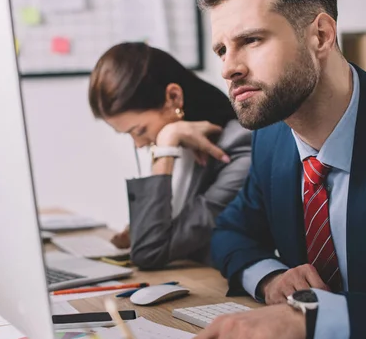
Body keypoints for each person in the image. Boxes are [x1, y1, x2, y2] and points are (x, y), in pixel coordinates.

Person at [174, 0, 366, 339]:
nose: (229, 68)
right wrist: (270, 279)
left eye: (250, 40)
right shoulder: (271, 139)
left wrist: (305, 319)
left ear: (320, 35)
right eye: (222, 49)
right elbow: (229, 232)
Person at [88, 42, 251, 269]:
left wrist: (166, 146)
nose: (139, 144)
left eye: (140, 130)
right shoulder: (177, 146)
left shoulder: (237, 150)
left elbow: (149, 253)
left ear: (173, 97)